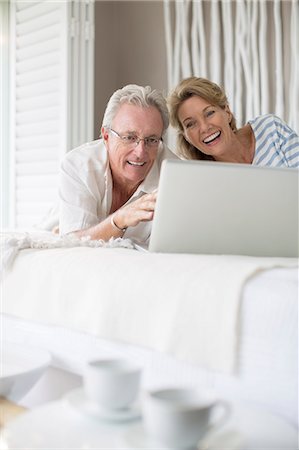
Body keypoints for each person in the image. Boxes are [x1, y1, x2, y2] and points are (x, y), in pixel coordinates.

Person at [59, 84, 178, 246]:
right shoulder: (78, 165)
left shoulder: (173, 174)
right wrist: (119, 220)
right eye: (129, 137)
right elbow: (73, 245)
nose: (140, 152)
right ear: (106, 136)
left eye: (151, 140)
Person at [168, 76, 299, 167]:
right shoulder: (206, 181)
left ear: (227, 112)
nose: (204, 128)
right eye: (191, 124)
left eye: (209, 113)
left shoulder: (270, 129)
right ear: (186, 136)